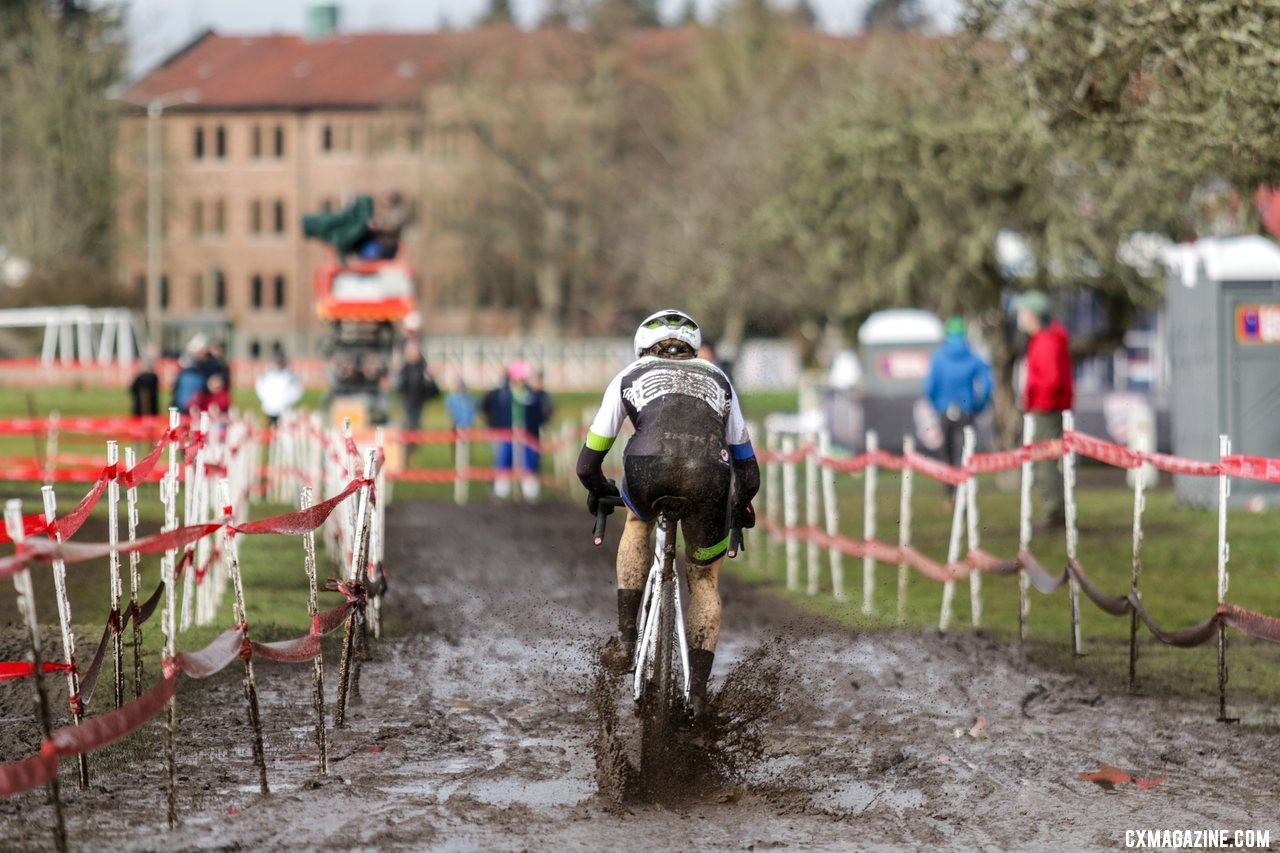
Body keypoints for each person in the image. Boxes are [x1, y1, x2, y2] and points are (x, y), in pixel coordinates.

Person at [576, 309, 759, 719]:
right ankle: (696, 693)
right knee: (705, 578)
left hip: (647, 467)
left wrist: (600, 492)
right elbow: (748, 468)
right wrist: (740, 505)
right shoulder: (719, 379)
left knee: (638, 521)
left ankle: (626, 641)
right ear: (694, 349)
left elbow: (587, 465)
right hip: (710, 474)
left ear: (643, 348)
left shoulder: (629, 375)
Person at [1014, 290, 1074, 530]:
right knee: (1046, 461)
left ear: (1032, 315)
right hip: (1045, 407)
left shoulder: (1046, 342)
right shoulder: (1044, 340)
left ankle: (1054, 512)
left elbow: (1051, 379)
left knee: (1045, 462)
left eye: (1022, 312)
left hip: (1046, 408)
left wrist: (1036, 400)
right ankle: (1055, 509)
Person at [924, 316, 994, 500]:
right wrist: (979, 405)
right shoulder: (973, 358)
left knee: (946, 452)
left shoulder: (938, 358)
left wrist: (937, 404)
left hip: (943, 411)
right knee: (965, 452)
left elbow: (929, 387)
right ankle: (964, 492)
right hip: (967, 411)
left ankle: (949, 493)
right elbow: (987, 385)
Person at [481, 361, 533, 500]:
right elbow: (486, 407)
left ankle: (528, 493)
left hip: (525, 435)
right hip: (505, 434)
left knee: (527, 463)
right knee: (503, 461)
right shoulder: (500, 393)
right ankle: (501, 492)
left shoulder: (529, 394)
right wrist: (492, 425)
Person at [395, 339, 439, 457]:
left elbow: (433, 392)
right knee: (406, 429)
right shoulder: (405, 368)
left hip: (418, 404)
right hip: (407, 403)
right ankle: (406, 455)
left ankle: (413, 454)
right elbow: (399, 388)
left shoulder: (423, 368)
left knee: (416, 431)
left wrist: (429, 379)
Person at [255, 352, 304, 426]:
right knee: (275, 429)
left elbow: (297, 391)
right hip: (273, 408)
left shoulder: (288, 376)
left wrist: (287, 402)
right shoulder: (269, 375)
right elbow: (260, 387)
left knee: (280, 429)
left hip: (281, 409)